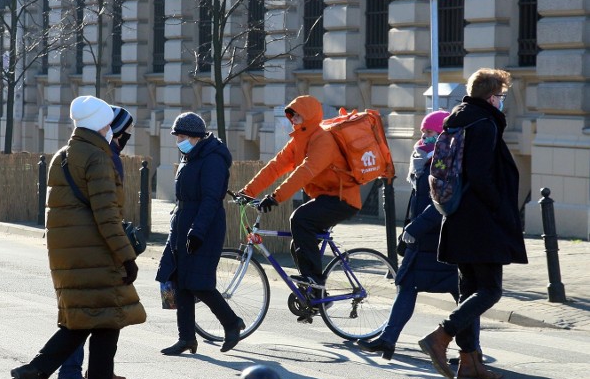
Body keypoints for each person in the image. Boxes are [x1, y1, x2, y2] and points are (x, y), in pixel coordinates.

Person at [10, 95, 146, 379]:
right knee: (104, 320)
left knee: (89, 321)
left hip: (71, 256)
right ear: (101, 124)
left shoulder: (63, 156)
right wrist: (127, 257)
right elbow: (107, 216)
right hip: (95, 254)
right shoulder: (97, 158)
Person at [418, 68, 527, 379]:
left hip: (457, 216)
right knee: (490, 290)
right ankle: (441, 335)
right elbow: (480, 174)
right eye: (501, 97)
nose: (502, 102)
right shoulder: (485, 123)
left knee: (469, 289)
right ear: (492, 96)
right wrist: (498, 207)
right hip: (482, 220)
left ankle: (469, 362)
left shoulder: (458, 119)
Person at [358, 110, 462, 360]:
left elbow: (440, 204)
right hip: (424, 242)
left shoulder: (443, 162)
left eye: (429, 133)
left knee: (465, 298)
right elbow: (419, 204)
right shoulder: (426, 162)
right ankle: (387, 340)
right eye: (423, 132)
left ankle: (472, 352)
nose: (423, 137)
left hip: (443, 242)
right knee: (407, 286)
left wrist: (413, 229)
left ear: (443, 136)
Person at [54, 105, 134, 379]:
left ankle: (96, 371)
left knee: (92, 313)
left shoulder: (72, 152)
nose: (124, 138)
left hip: (78, 246)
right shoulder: (103, 157)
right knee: (85, 314)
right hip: (91, 248)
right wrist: (123, 252)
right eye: (123, 132)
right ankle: (63, 374)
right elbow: (105, 210)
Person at [239, 95, 360, 287]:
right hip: (325, 196)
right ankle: (314, 294)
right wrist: (248, 191)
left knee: (300, 219)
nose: (293, 118)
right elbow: (275, 167)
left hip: (343, 198)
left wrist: (275, 197)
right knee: (298, 246)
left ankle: (315, 281)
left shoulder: (323, 140)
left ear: (309, 116)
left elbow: (305, 171)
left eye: (297, 115)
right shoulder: (299, 140)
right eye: (291, 115)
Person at [156, 112, 244, 355]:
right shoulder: (190, 155)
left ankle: (232, 323)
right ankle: (186, 338)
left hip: (203, 227)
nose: (178, 141)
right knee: (180, 281)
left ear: (195, 136)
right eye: (177, 136)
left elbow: (211, 199)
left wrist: (197, 231)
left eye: (182, 136)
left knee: (198, 282)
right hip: (183, 225)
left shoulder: (212, 159)